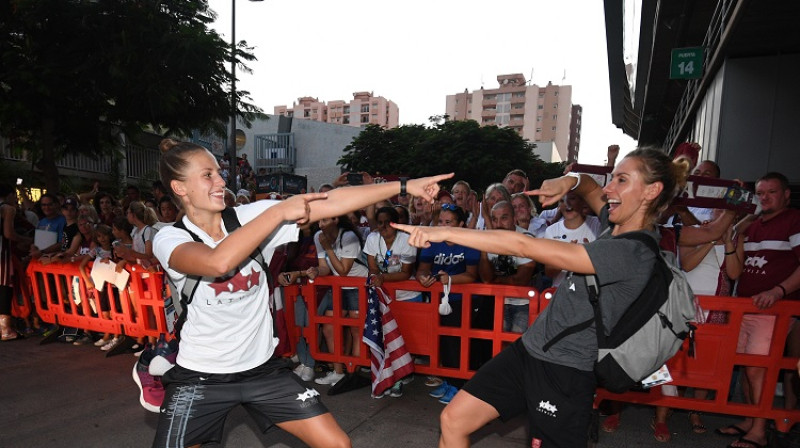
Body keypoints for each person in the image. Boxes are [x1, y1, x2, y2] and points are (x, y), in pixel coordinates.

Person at [149, 138, 450, 448]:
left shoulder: (250, 216)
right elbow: (217, 261)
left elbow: (330, 202)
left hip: (262, 370)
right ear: (180, 188)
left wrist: (404, 185)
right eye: (208, 174)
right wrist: (278, 212)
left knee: (337, 444)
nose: (221, 180)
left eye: (219, 172)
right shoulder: (169, 238)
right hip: (201, 375)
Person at [394, 148, 691, 448]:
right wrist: (568, 182)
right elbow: (588, 185)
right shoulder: (616, 226)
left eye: (622, 180)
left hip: (566, 372)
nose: (608, 189)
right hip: (529, 351)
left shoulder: (631, 251)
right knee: (453, 420)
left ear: (652, 191)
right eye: (612, 178)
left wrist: (445, 232)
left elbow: (523, 245)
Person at [716, 172, 800, 448]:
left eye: (771, 192)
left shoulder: (794, 219)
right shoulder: (752, 226)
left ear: (786, 194)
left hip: (776, 308)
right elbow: (734, 267)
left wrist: (779, 291)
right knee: (746, 366)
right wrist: (737, 225)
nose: (764, 197)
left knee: (757, 368)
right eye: (760, 193)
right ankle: (752, 420)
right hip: (746, 306)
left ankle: (760, 431)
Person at [415, 204, 480, 405]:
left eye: (448, 222)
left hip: (464, 301)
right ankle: (449, 380)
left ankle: (461, 387)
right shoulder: (432, 243)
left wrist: (448, 279)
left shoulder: (469, 243)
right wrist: (423, 277)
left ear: (460, 224)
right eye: (440, 222)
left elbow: (471, 275)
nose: (442, 225)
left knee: (460, 344)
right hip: (440, 301)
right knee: (444, 342)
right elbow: (422, 269)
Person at [313, 213, 369, 387]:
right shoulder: (318, 237)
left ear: (336, 219)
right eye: (319, 220)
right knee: (329, 328)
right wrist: (315, 270)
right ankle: (338, 373)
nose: (320, 224)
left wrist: (327, 247)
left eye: (324, 219)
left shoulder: (349, 236)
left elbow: (343, 270)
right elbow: (324, 268)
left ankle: (353, 374)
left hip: (357, 285)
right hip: (337, 285)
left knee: (355, 329)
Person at [479, 201, 536, 334]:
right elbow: (486, 279)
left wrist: (497, 280)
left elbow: (522, 280)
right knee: (497, 346)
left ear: (514, 218)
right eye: (494, 219)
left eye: (504, 218)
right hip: (497, 301)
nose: (498, 224)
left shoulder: (526, 239)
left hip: (523, 303)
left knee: (516, 346)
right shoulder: (490, 239)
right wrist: (484, 250)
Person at [0, 184, 33, 341]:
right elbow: (8, 233)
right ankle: (5, 329)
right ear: (10, 195)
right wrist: (27, 240)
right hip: (2, 252)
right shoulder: (8, 209)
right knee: (4, 288)